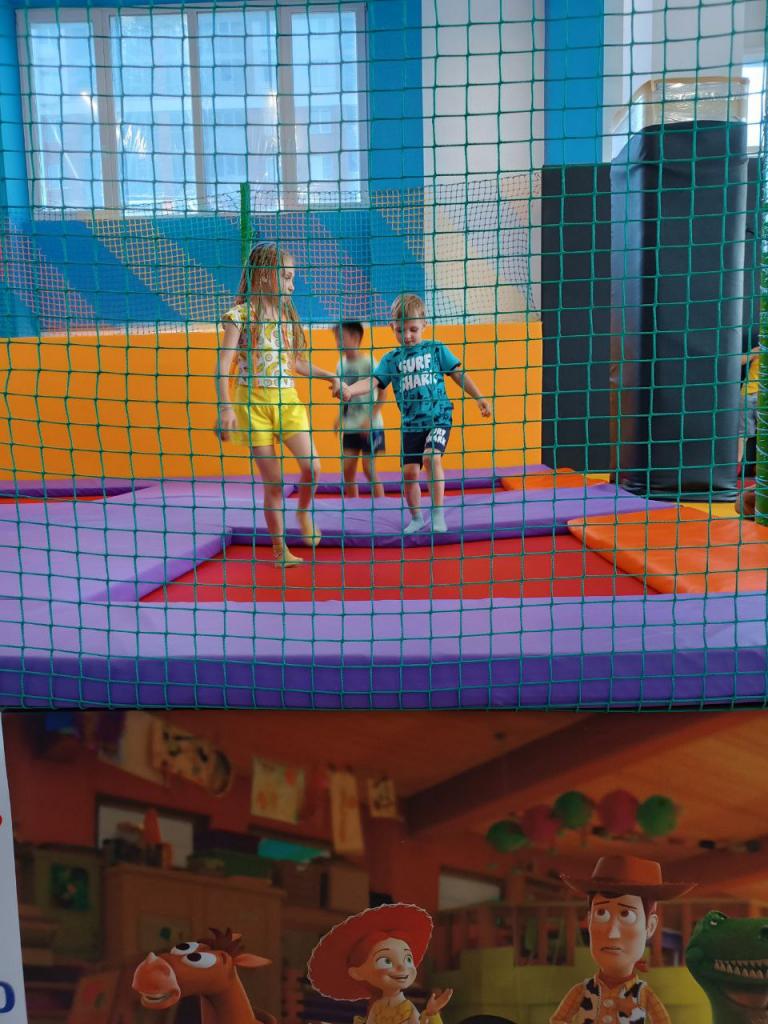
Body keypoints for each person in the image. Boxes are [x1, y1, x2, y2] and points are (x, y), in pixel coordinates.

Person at [216, 243, 339, 567]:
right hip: (252, 405)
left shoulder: (286, 318)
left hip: (287, 403)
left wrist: (329, 375)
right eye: (286, 277)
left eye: (292, 277)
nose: (292, 285)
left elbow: (295, 363)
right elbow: (224, 363)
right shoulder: (241, 316)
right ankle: (279, 549)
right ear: (264, 276)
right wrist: (225, 408)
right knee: (274, 483)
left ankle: (303, 510)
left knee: (313, 466)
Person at [336, 294, 491, 534]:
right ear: (392, 327)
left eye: (413, 329)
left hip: (439, 418)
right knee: (409, 474)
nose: (407, 335)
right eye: (400, 330)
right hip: (411, 425)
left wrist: (479, 397)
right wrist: (350, 390)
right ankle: (417, 517)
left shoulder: (435, 349)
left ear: (424, 325)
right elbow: (373, 382)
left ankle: (437, 513)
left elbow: (458, 374)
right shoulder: (391, 360)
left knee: (431, 458)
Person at [550, 855, 696, 1024]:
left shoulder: (643, 994)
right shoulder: (582, 991)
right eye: (601, 914)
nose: (612, 933)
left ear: (650, 926)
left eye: (627, 915)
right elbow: (558, 1020)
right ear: (589, 921)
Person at [307, 903, 453, 1024]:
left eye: (408, 959)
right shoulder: (377, 1007)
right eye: (386, 961)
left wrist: (432, 1013)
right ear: (357, 972)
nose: (402, 967)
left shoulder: (407, 1008)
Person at [334, 321, 386, 498]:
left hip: (371, 426)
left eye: (341, 338)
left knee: (368, 468)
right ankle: (352, 505)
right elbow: (344, 396)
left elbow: (383, 393)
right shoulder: (340, 365)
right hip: (351, 425)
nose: (338, 342)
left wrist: (370, 419)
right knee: (347, 469)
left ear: (355, 337)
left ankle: (383, 505)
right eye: (336, 338)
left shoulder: (369, 362)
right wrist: (340, 417)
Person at [738, 345, 760, 469]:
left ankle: (761, 470)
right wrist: (754, 352)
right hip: (746, 395)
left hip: (763, 398)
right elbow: (739, 361)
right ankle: (735, 466)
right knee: (742, 434)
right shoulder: (760, 350)